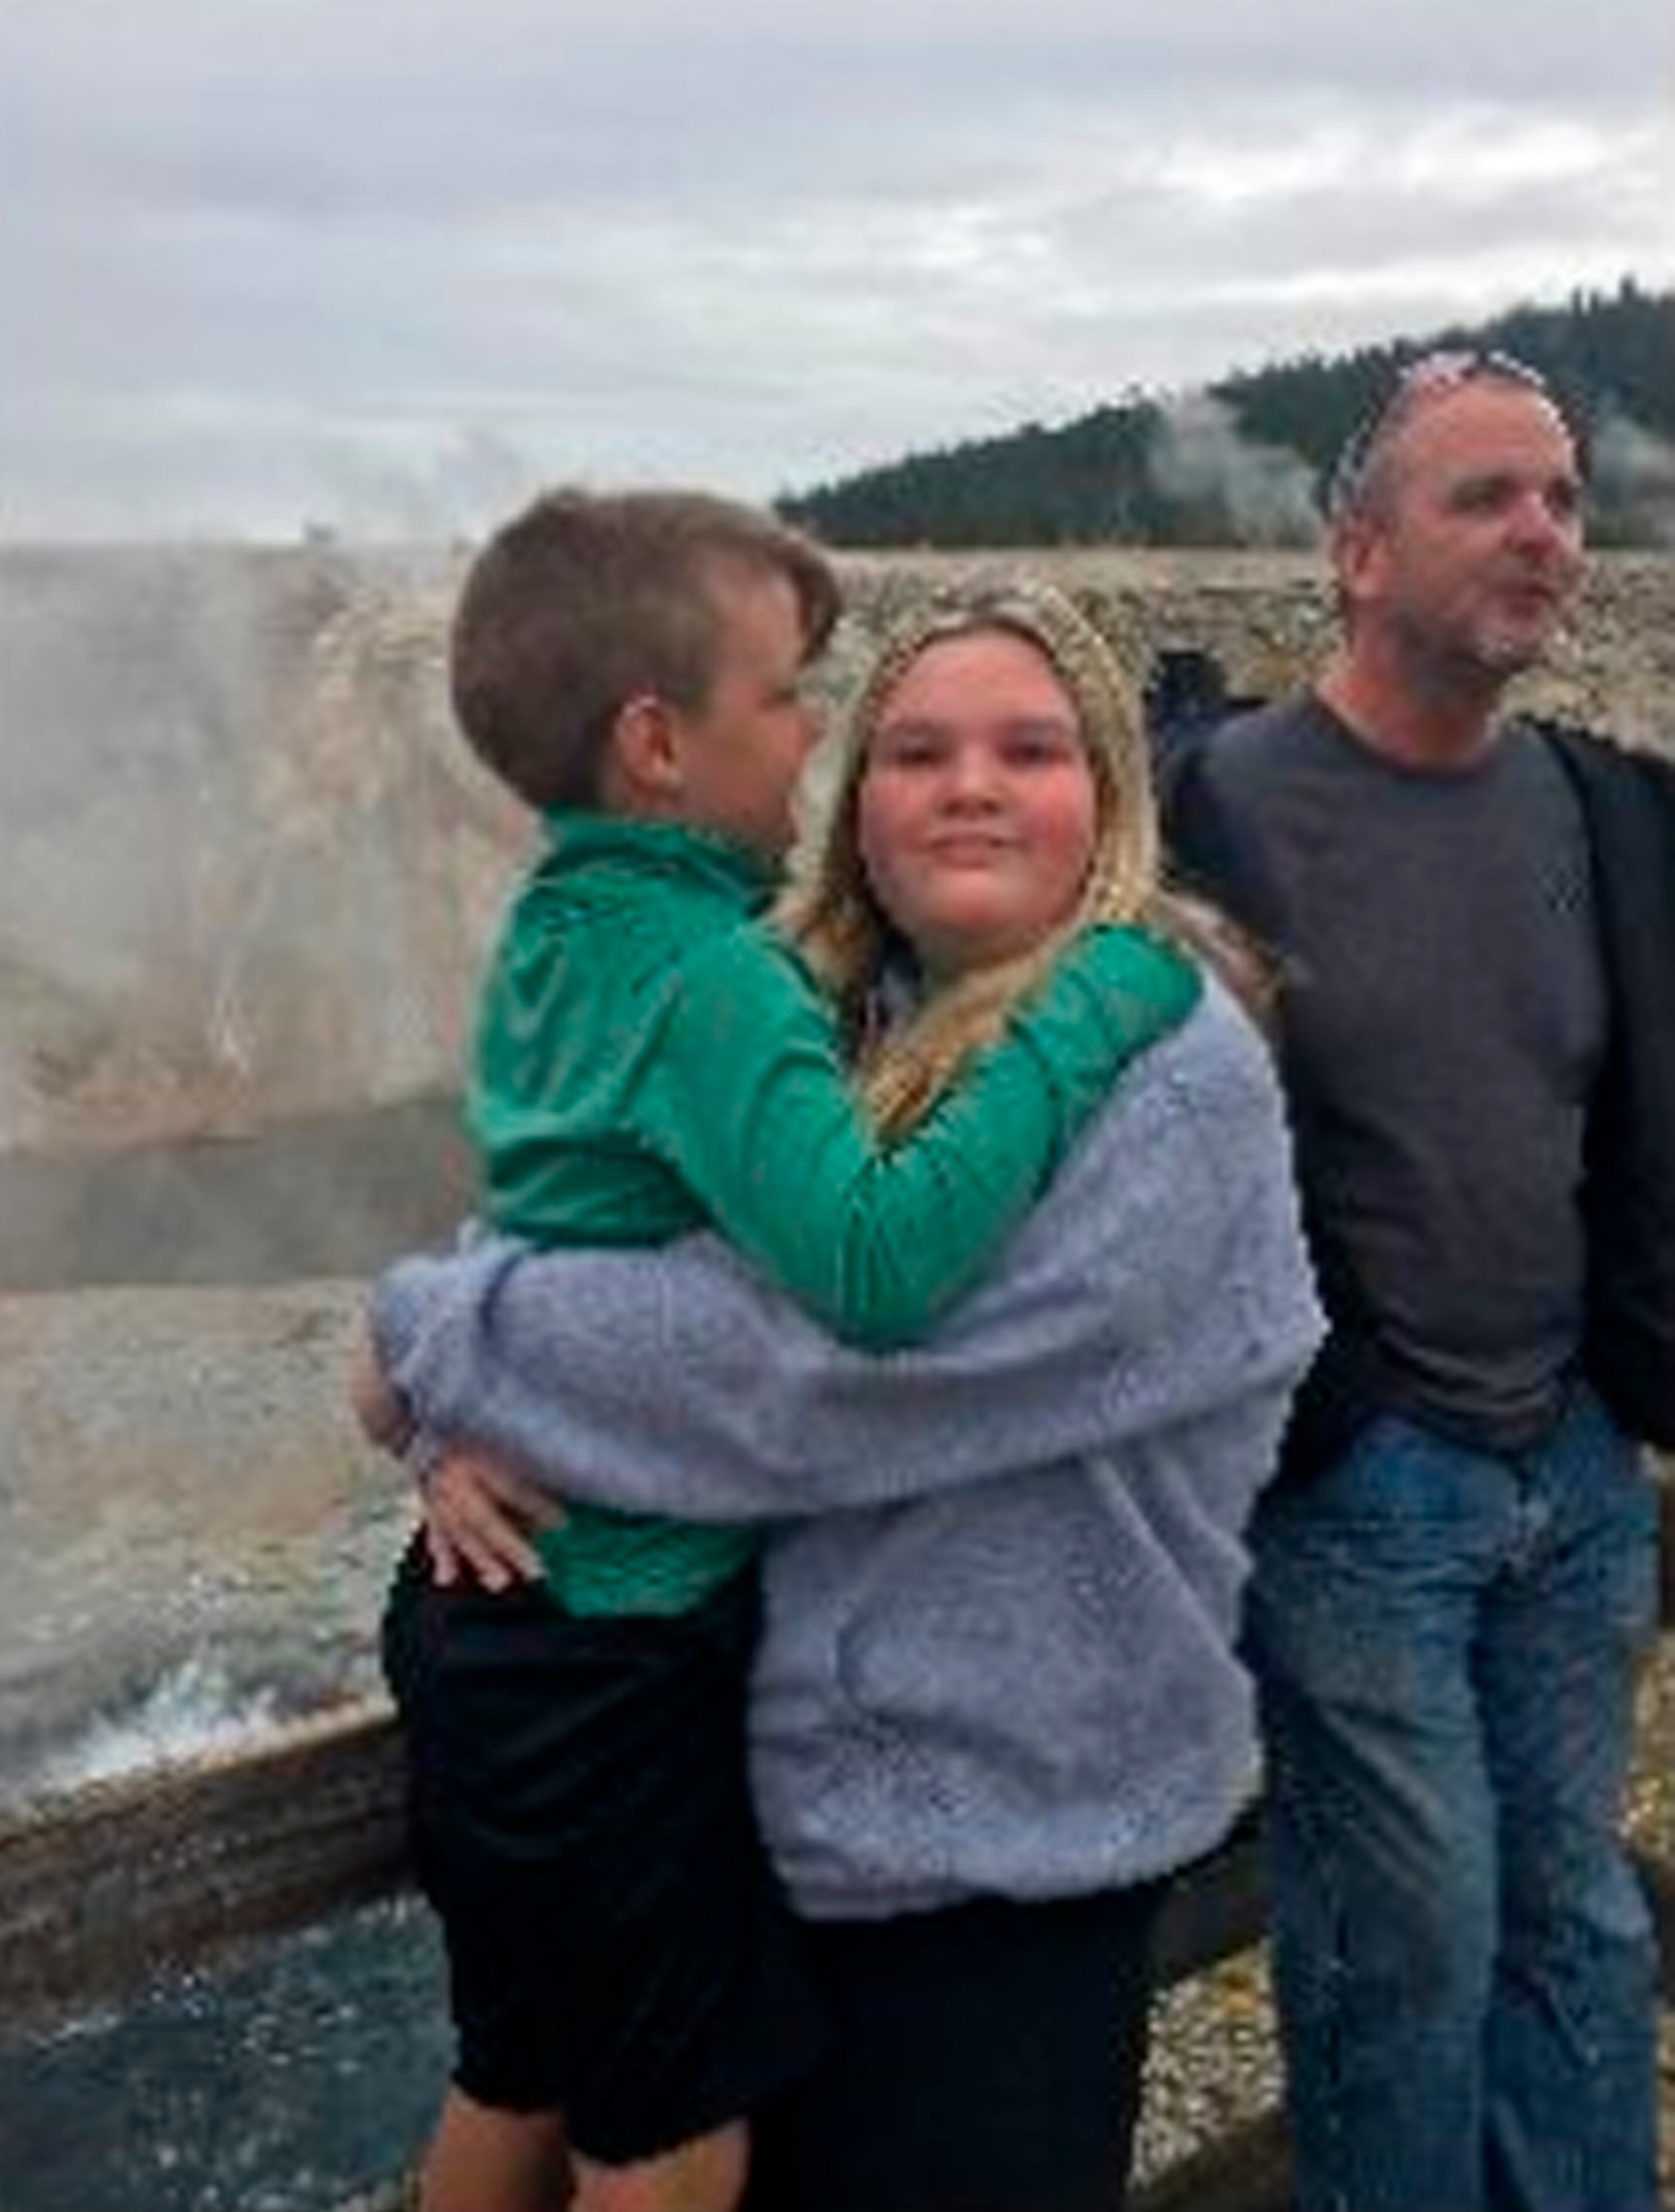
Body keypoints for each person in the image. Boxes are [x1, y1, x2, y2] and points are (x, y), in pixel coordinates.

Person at [362, 575, 1324, 2212]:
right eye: (917, 750)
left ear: (1112, 796)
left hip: (993, 1867)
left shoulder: (1170, 1078)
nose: (969, 785)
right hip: (762, 1811)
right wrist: (459, 1404)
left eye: (1030, 749)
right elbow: (581, 1206)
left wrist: (429, 1340)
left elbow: (808, 1382)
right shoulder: (814, 1001)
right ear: (854, 801)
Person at [1161, 352, 1675, 2212]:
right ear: (1357, 551)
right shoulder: (1208, 815)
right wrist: (463, 1363)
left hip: (1578, 1462)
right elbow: (923, 1043)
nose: (1545, 530)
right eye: (1488, 498)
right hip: (1362, 1486)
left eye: (1561, 495)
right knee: (1410, 1951)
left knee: (1586, 1933)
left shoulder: (1610, 812)